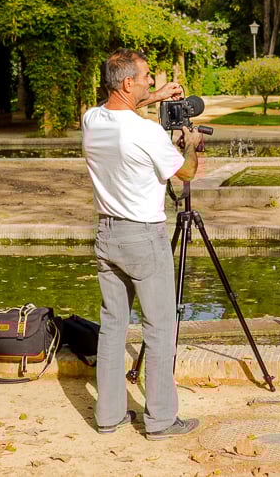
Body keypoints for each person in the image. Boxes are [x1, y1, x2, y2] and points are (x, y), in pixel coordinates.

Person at [82, 48, 203, 440]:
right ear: (128, 82)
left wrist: (156, 97)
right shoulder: (146, 132)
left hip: (107, 234)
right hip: (143, 237)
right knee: (159, 328)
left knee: (113, 327)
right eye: (147, 77)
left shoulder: (91, 119)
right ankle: (162, 421)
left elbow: (118, 109)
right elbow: (185, 172)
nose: (151, 81)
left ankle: (109, 417)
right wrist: (190, 142)